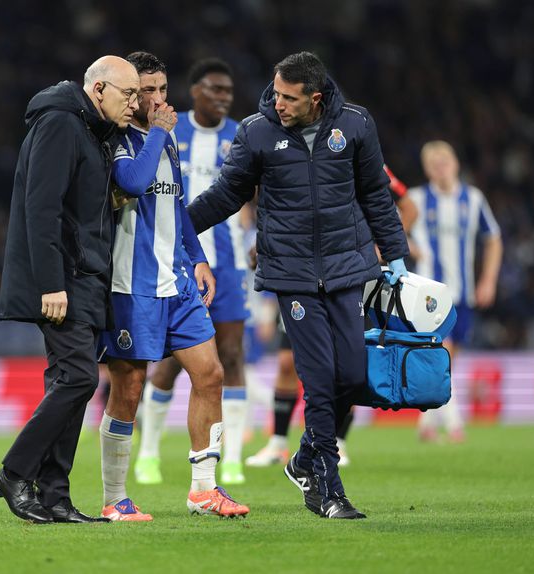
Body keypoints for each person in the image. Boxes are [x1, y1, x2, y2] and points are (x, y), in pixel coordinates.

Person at [188, 52, 409, 519]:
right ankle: (328, 489)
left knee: (352, 375)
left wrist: (397, 255)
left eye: (289, 98)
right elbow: (228, 193)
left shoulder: (354, 124)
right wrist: (178, 228)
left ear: (316, 98)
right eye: (276, 93)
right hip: (292, 274)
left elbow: (374, 192)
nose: (278, 103)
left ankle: (306, 456)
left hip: (349, 268)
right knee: (319, 379)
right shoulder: (256, 131)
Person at [98, 51, 250, 522]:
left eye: (164, 90)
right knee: (129, 386)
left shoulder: (165, 142)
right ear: (128, 92)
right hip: (131, 284)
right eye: (148, 91)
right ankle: (115, 497)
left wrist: (199, 258)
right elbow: (134, 183)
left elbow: (177, 206)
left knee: (211, 373)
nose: (160, 100)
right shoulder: (116, 139)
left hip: (178, 281)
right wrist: (161, 131)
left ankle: (204, 489)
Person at [0, 55, 140, 525]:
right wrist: (51, 284)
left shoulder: (93, 133)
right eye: (128, 94)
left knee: (69, 385)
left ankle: (54, 494)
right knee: (80, 379)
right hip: (64, 281)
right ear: (98, 91)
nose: (135, 104)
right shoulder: (59, 122)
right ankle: (15, 473)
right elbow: (42, 208)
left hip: (87, 277)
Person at [246, 164, 418, 468]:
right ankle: (278, 443)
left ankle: (337, 442)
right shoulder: (305, 158)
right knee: (287, 362)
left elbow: (408, 207)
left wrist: (380, 247)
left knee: (347, 362)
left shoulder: (366, 160)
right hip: (304, 274)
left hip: (349, 275)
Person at [134, 57, 252, 486]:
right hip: (172, 262)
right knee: (168, 364)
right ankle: (147, 454)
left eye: (228, 92)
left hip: (230, 261)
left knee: (232, 357)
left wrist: (259, 234)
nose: (223, 97)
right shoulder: (168, 129)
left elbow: (257, 192)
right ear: (195, 90)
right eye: (215, 89)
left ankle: (233, 457)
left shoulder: (240, 136)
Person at [409, 140, 502, 443]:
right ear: (427, 170)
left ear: (456, 164)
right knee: (443, 356)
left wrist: (488, 280)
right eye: (434, 165)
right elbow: (389, 229)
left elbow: (493, 239)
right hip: (429, 295)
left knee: (448, 360)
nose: (441, 169)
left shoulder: (473, 200)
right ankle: (454, 424)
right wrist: (406, 246)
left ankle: (425, 422)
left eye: (444, 162)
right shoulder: (417, 199)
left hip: (463, 294)